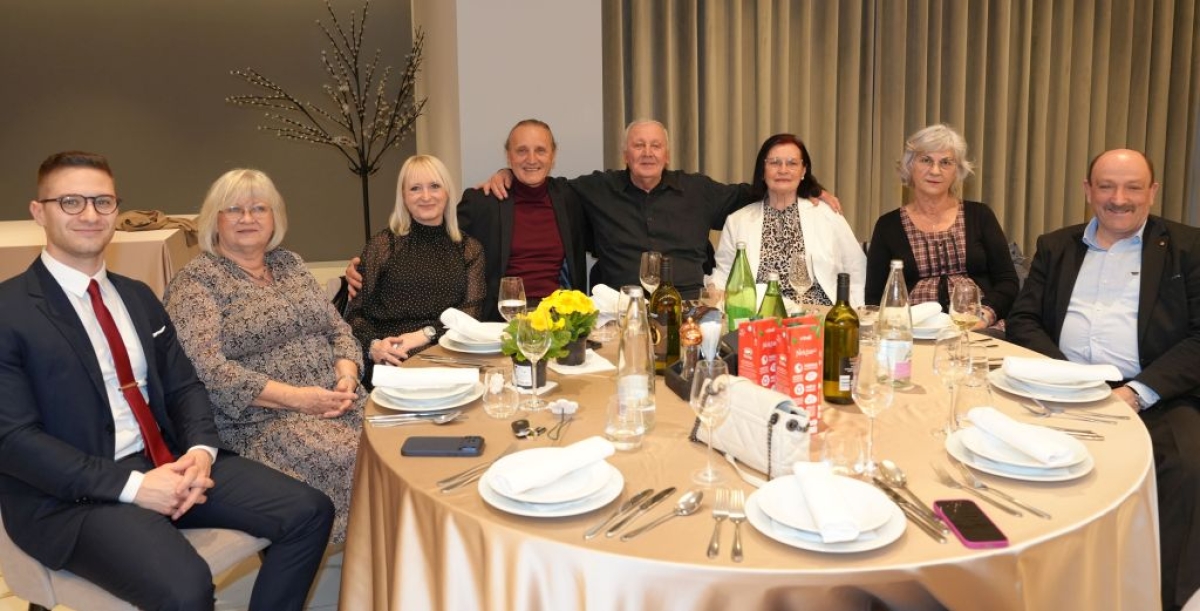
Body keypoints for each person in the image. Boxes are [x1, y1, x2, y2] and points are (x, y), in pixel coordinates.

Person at [0, 151, 333, 610]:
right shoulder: (10, 310)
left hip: (169, 459)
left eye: (102, 202)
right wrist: (135, 487)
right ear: (39, 212)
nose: (90, 215)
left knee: (309, 511)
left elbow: (184, 387)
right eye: (71, 202)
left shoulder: (137, 296)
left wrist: (199, 453)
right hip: (72, 497)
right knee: (185, 588)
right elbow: (14, 440)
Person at [1006, 149, 1200, 610]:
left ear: (1153, 191)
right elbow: (1024, 319)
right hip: (1061, 387)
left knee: (1188, 469)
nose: (1119, 198)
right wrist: (1068, 378)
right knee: (1000, 453)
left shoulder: (1189, 248)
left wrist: (1136, 393)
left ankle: (1163, 597)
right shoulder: (1056, 245)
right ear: (1088, 190)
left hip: (1157, 392)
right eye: (1107, 186)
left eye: (1133, 187)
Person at [164, 169, 364, 544]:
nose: (248, 218)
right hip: (261, 422)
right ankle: (362, 554)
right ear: (214, 220)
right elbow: (206, 370)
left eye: (259, 208)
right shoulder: (197, 281)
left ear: (275, 218)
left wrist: (347, 376)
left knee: (397, 443)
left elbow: (337, 328)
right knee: (353, 455)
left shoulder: (290, 263)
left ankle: (397, 552)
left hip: (337, 400)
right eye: (234, 209)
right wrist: (299, 398)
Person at [345, 154, 486, 377]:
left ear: (447, 192)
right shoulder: (382, 246)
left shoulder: (469, 249)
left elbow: (470, 315)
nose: (426, 196)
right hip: (391, 360)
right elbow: (355, 314)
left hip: (448, 358)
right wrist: (374, 346)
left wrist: (424, 335)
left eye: (434, 186)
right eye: (415, 188)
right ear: (403, 196)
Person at [864, 124, 1018, 327]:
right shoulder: (888, 226)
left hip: (978, 327)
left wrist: (985, 315)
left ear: (957, 171)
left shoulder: (980, 215)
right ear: (910, 166)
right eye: (926, 160)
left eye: (945, 162)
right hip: (912, 330)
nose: (935, 171)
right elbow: (875, 298)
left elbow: (1008, 281)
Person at [711, 133, 866, 309]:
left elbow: (857, 268)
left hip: (818, 315)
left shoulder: (827, 214)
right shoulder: (737, 221)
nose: (783, 170)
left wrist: (856, 314)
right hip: (760, 317)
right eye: (774, 163)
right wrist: (714, 292)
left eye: (792, 163)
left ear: (803, 171)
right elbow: (724, 276)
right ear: (763, 170)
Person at [456, 119, 588, 319]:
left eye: (540, 150)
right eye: (521, 151)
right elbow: (444, 254)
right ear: (508, 156)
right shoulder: (481, 202)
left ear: (553, 156)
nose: (531, 159)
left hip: (560, 320)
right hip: (501, 321)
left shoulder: (570, 198)